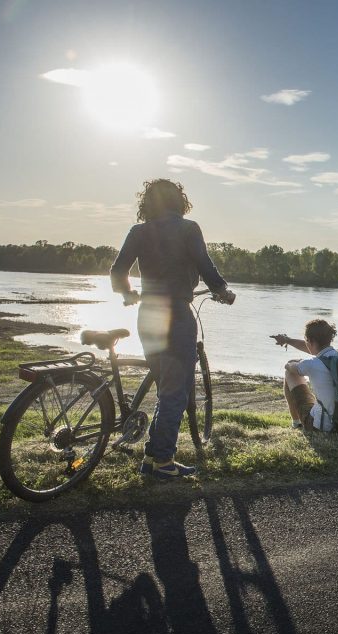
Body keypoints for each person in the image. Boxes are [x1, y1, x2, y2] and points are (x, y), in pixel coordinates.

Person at [110, 178, 234, 479]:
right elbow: (205, 265)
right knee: (175, 392)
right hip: (177, 315)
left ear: (147, 203)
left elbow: (117, 272)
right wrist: (222, 290)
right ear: (180, 200)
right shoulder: (188, 228)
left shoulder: (139, 231)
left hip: (147, 315)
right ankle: (162, 462)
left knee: (165, 383)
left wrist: (127, 294)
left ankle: (153, 456)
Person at [271, 319, 338, 432]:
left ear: (310, 341)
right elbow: (313, 348)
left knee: (290, 372)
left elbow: (290, 367)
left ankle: (297, 423)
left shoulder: (311, 364)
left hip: (321, 426)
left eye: (306, 340)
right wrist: (287, 340)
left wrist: (295, 363)